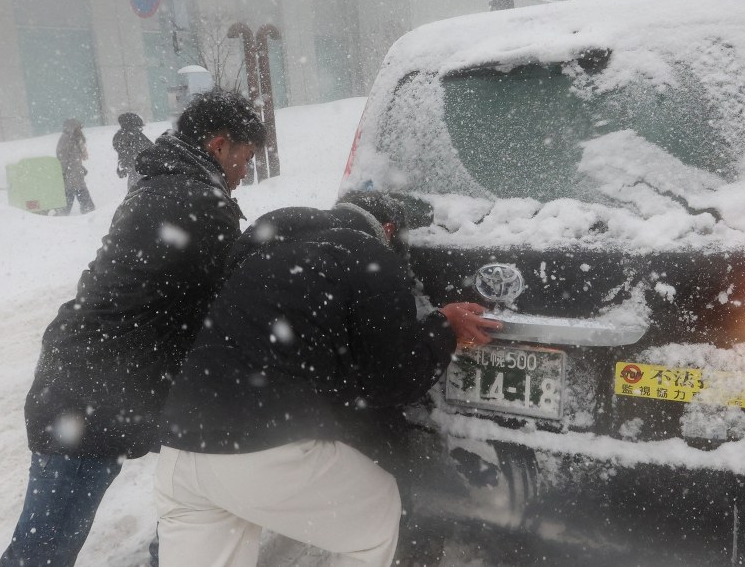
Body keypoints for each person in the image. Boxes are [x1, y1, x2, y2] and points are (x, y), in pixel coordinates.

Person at [154, 191, 501, 567]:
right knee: (377, 513)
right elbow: (392, 380)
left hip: (180, 449)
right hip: (258, 449)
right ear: (386, 229)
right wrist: (443, 327)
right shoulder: (370, 257)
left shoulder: (269, 245)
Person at [0, 90, 268, 567]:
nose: (245, 170)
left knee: (49, 539)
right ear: (220, 144)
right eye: (245, 156)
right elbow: (228, 307)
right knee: (43, 550)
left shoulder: (160, 180)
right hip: (91, 394)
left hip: (83, 374)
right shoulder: (200, 201)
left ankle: (175, 553)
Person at [56, 118, 94, 214]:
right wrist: (63, 172)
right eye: (78, 128)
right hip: (70, 174)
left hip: (75, 173)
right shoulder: (66, 138)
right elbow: (62, 157)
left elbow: (75, 157)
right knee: (75, 192)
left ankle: (63, 214)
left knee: (72, 193)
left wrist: (80, 167)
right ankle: (88, 212)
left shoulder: (75, 139)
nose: (80, 130)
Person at [113, 111, 154, 190]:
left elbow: (120, 151)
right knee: (140, 189)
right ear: (134, 125)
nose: (140, 129)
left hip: (132, 168)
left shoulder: (120, 136)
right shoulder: (135, 136)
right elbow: (151, 147)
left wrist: (123, 165)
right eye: (139, 127)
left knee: (133, 189)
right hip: (140, 169)